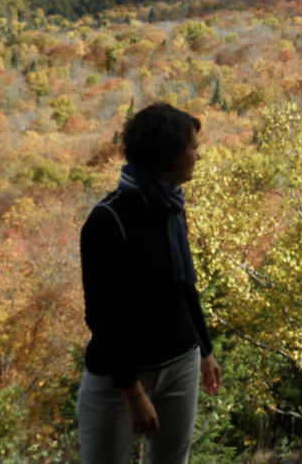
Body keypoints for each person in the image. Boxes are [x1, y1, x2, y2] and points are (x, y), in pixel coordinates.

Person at [77, 103, 222, 464]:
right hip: (118, 378)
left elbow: (183, 285)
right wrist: (132, 392)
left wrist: (204, 350)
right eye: (192, 146)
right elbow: (101, 317)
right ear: (168, 153)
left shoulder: (171, 207)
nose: (198, 155)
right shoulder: (107, 221)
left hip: (180, 362)